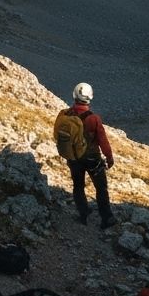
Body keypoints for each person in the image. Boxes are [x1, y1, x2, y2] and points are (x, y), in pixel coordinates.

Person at [57, 82, 117, 228]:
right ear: (90, 97)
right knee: (101, 188)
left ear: (74, 96)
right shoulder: (93, 118)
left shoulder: (65, 115)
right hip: (92, 158)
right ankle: (106, 218)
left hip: (74, 158)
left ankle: (83, 214)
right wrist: (109, 158)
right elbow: (103, 141)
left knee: (78, 186)